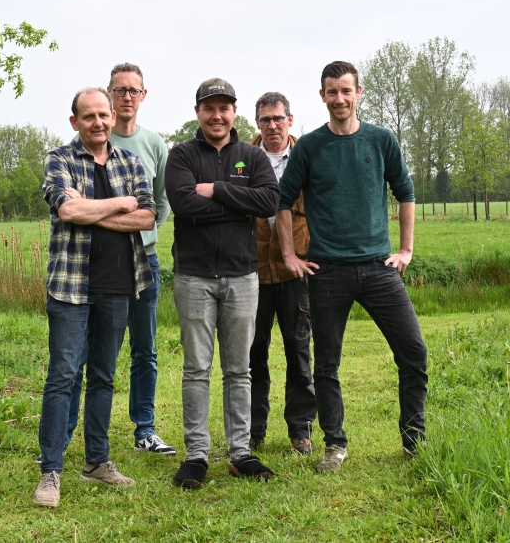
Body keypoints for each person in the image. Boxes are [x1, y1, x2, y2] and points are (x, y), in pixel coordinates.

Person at [276, 61, 428, 474]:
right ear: (322, 96)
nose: (339, 98)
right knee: (326, 364)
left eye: (346, 90)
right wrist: (289, 256)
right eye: (332, 91)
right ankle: (335, 445)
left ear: (359, 92)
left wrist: (406, 250)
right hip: (327, 272)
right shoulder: (310, 146)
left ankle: (414, 440)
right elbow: (283, 201)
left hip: (379, 268)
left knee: (414, 352)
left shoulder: (381, 140)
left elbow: (406, 192)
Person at [34, 88, 156, 508]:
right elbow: (67, 211)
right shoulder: (59, 159)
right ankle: (51, 470)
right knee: (63, 375)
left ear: (112, 117)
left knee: (103, 376)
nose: (99, 122)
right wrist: (120, 204)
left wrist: (92, 209)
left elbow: (147, 216)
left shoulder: (130, 162)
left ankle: (97, 462)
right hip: (71, 287)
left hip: (119, 285)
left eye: (103, 115)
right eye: (89, 117)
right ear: (75, 122)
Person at [165, 78, 280, 488]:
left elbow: (269, 201)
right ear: (198, 112)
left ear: (234, 112)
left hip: (242, 278)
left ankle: (240, 453)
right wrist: (240, 204)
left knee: (239, 370)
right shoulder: (181, 155)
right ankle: (196, 455)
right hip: (194, 278)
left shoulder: (252, 155)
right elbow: (183, 205)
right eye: (209, 108)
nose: (217, 116)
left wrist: (216, 190)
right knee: (196, 369)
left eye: (224, 108)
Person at [57, 63, 175, 456]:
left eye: (133, 90)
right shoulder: (77, 147)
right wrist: (121, 210)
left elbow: (157, 206)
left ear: (143, 95)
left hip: (144, 261)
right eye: (119, 90)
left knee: (145, 349)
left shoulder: (153, 145)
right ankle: (65, 434)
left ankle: (145, 429)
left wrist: (112, 218)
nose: (126, 97)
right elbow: (71, 210)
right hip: (92, 267)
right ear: (109, 95)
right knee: (79, 358)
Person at [247, 92, 316, 454]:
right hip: (252, 272)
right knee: (251, 355)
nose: (272, 125)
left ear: (290, 120)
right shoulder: (242, 160)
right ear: (257, 123)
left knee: (298, 351)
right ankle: (252, 430)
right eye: (265, 119)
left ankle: (300, 430)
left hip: (296, 272)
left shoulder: (308, 158)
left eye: (278, 118)